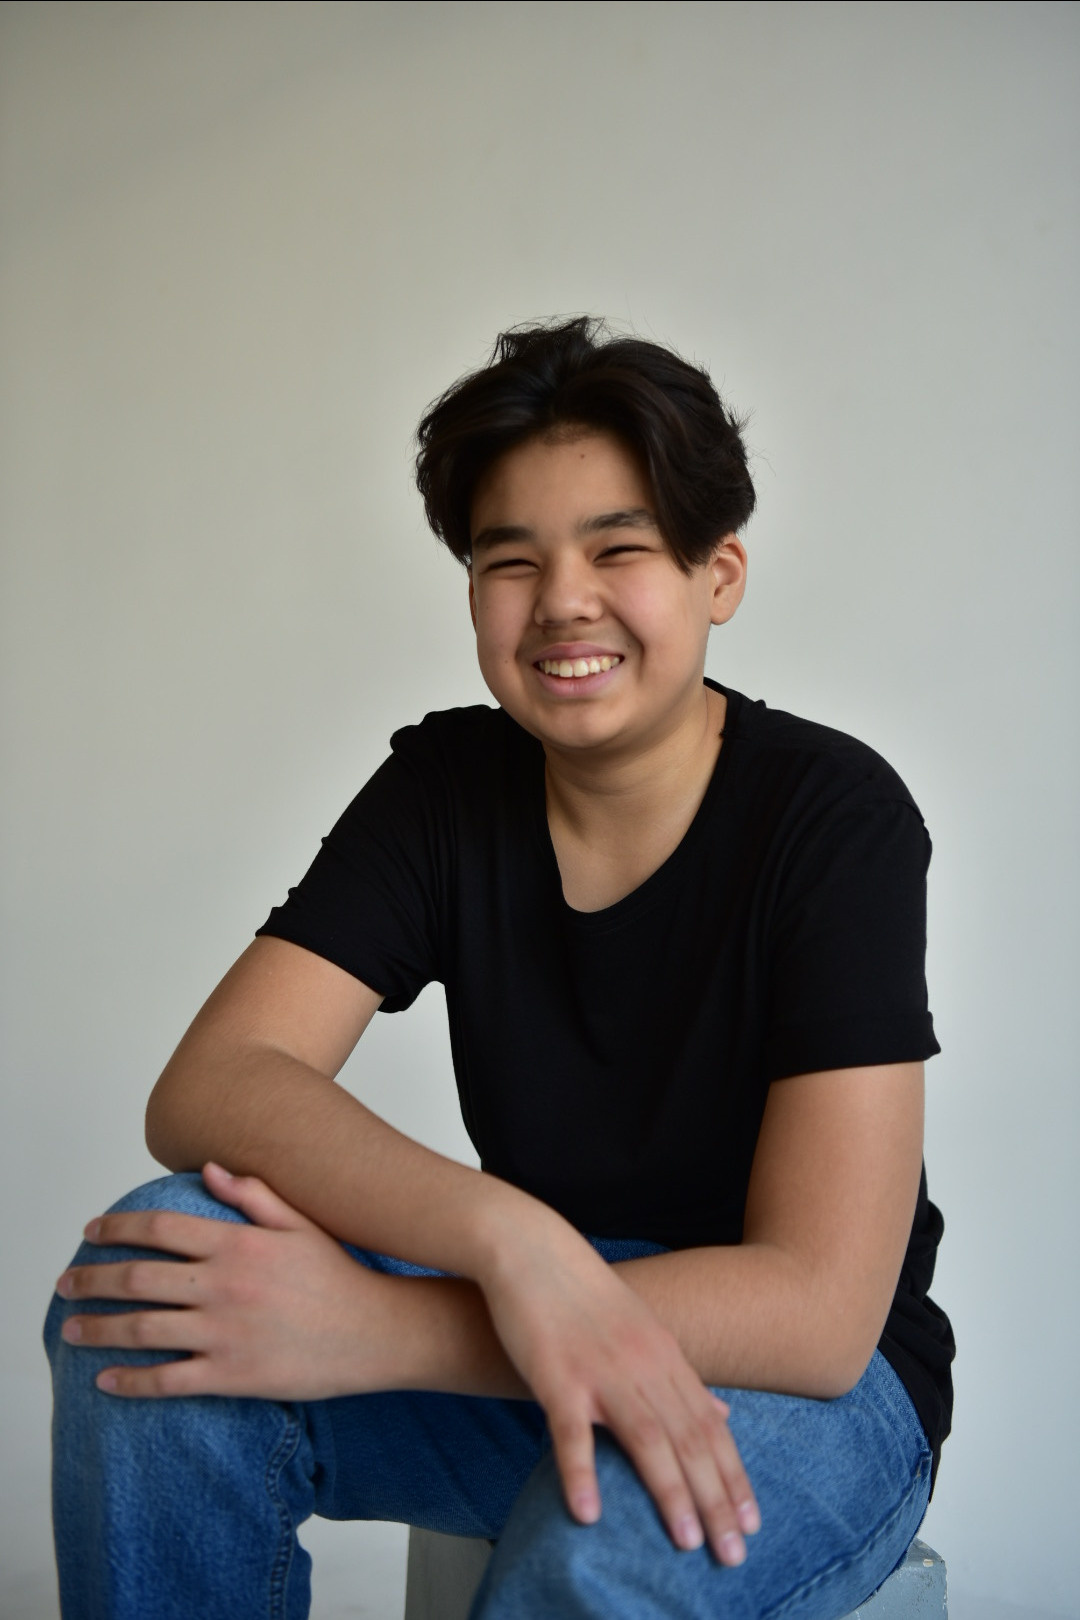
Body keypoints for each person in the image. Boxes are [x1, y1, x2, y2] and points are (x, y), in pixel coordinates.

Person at [45, 318, 954, 1620]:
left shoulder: (834, 817)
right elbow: (214, 1085)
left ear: (719, 574)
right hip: (533, 1325)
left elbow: (816, 1308)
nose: (563, 599)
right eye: (510, 559)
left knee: (601, 1556)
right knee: (154, 1284)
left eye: (618, 548)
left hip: (805, 1392)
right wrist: (511, 1240)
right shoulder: (448, 789)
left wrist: (395, 1328)